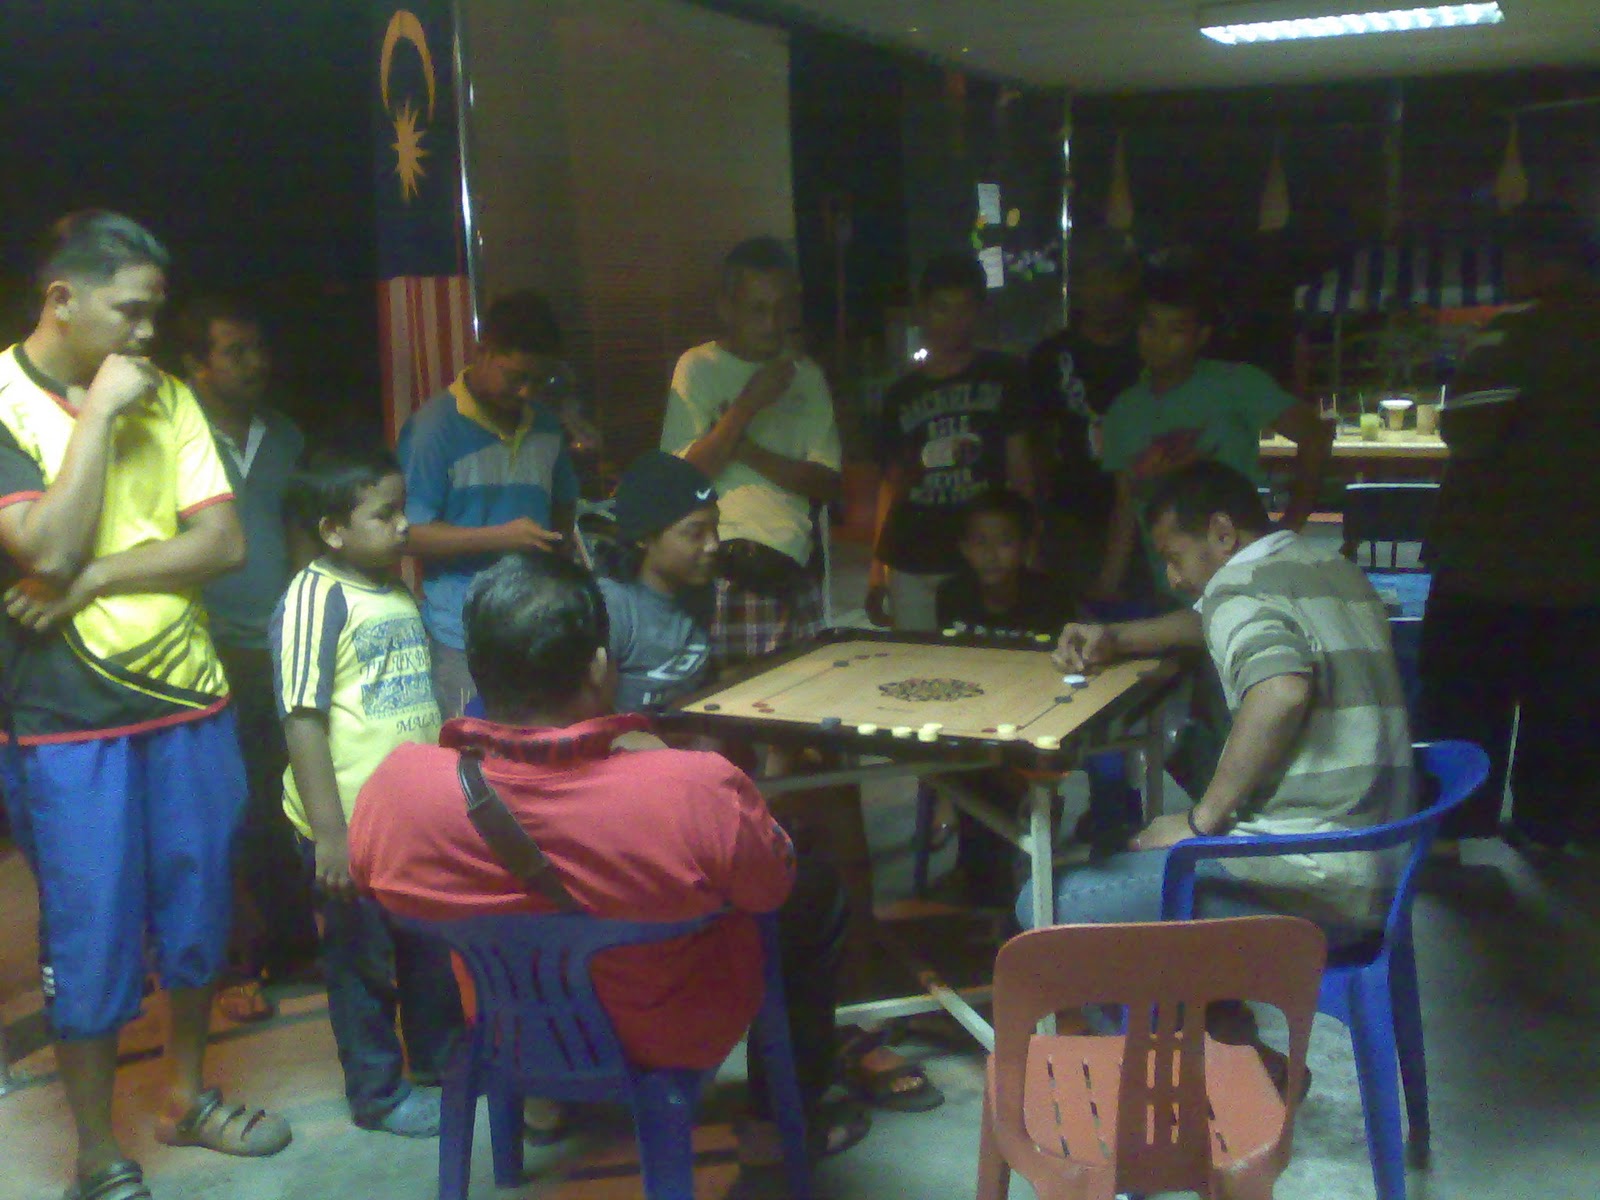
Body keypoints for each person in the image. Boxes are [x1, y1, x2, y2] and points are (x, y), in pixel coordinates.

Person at [348, 551, 871, 1158]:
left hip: (506, 1029)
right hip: (667, 1033)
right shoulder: (693, 787)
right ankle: (779, 1125)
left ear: (478, 669)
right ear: (598, 667)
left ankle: (542, 1102)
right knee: (814, 893)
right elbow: (770, 887)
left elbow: (368, 882)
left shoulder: (397, 788)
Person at [0, 212, 289, 1200]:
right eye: (129, 311)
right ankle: (95, 1152)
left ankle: (187, 1095)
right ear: (62, 300)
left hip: (190, 697)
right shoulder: (7, 400)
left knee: (200, 910)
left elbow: (221, 543)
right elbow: (42, 547)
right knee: (90, 932)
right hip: (66, 715)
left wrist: (94, 579)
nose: (146, 334)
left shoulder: (168, 394)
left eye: (155, 313)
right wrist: (98, 419)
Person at [1032, 460, 1413, 937]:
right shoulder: (1331, 570)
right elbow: (1210, 622)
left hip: (1309, 884)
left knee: (1046, 902)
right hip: (1380, 870)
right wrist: (1115, 637)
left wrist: (1201, 821)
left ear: (1222, 533)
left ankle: (1196, 989)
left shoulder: (1236, 591)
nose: (1172, 578)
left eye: (1174, 557)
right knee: (1124, 852)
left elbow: (1281, 690)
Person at [272, 446, 461, 1136]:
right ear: (332, 530)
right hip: (350, 825)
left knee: (427, 949)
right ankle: (379, 1094)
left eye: (402, 509)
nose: (403, 525)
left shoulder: (393, 589)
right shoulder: (314, 598)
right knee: (361, 964)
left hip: (410, 820)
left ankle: (441, 1064)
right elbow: (301, 717)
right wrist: (331, 834)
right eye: (384, 514)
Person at [1418, 202, 1600, 852]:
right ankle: (1550, 828)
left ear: (1532, 262)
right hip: (1585, 573)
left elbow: (1467, 429)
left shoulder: (1513, 335)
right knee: (1568, 708)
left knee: (1464, 699)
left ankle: (1454, 825)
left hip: (1489, 563)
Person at [178, 294, 318, 1023]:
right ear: (195, 366)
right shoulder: (172, 435)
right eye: (235, 351)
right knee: (221, 809)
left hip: (277, 643)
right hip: (201, 650)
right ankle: (235, 964)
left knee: (285, 799)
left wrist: (307, 622)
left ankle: (293, 947)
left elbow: (299, 534)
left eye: (258, 348)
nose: (255, 363)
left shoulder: (284, 435)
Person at [1094, 262, 1331, 607]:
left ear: (1201, 336)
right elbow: (1126, 504)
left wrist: (1291, 524)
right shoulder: (1123, 410)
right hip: (1169, 589)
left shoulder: (1237, 384)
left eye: (1175, 329)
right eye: (1149, 326)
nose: (1159, 340)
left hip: (1246, 582)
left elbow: (1315, 436)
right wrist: (1108, 584)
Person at [661, 237, 842, 667]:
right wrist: (747, 405)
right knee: (719, 701)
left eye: (782, 308)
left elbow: (828, 482)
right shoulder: (697, 367)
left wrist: (745, 449)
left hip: (789, 566)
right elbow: (680, 480)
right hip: (716, 568)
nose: (771, 323)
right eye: (757, 310)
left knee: (796, 698)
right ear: (727, 309)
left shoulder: (807, 376)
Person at [398, 290, 579, 717]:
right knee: (472, 744)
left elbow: (564, 504)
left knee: (534, 743)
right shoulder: (433, 430)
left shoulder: (547, 427)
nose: (526, 391)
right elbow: (407, 535)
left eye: (539, 380)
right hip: (461, 632)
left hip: (533, 623)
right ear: (484, 351)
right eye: (515, 376)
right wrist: (502, 537)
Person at [868, 253, 1035, 631]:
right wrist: (877, 572)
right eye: (942, 308)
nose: (953, 323)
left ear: (979, 312)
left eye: (964, 309)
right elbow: (892, 487)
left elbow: (1021, 471)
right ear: (923, 312)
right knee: (917, 663)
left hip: (983, 561)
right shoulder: (902, 395)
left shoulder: (1004, 376)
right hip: (913, 557)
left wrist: (1028, 549)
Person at [1027, 229, 1146, 598]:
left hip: (1151, 513)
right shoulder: (1050, 357)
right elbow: (1035, 448)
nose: (1102, 292)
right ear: (1076, 286)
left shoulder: (1152, 352)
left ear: (1129, 284)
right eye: (1091, 279)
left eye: (1111, 278)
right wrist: (1036, 524)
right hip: (1070, 515)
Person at [597, 451, 718, 714]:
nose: (713, 545)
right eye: (696, 533)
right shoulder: (614, 607)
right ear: (644, 538)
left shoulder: (705, 593)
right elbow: (598, 719)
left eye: (715, 529)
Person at [935, 488, 1072, 637]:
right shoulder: (952, 595)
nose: (990, 555)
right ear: (964, 548)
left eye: (1004, 542)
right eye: (980, 542)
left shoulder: (1052, 599)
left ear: (1027, 547)